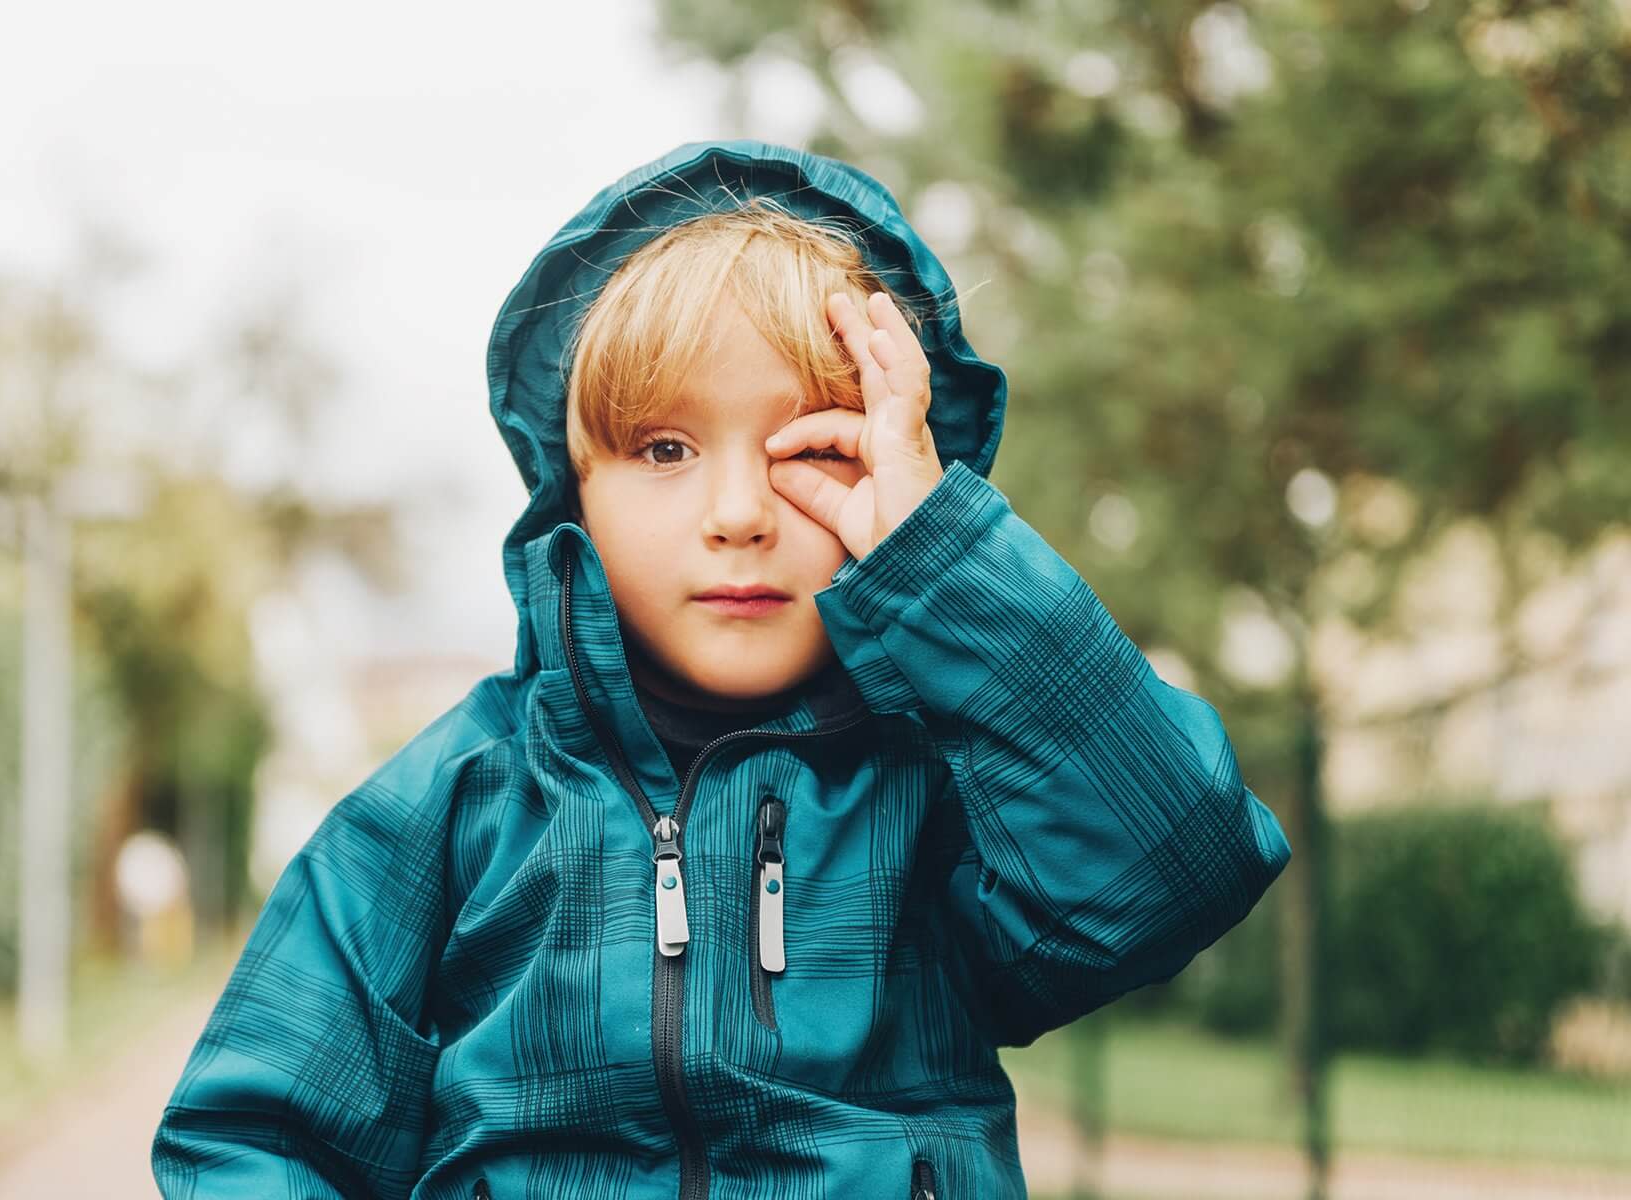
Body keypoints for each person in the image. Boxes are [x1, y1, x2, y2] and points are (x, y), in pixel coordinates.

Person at [151, 139, 1292, 1200]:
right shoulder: (459, 800)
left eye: (815, 447)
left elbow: (1177, 863)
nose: (740, 513)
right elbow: (254, 1134)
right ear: (574, 493)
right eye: (664, 449)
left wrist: (942, 556)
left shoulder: (934, 786)